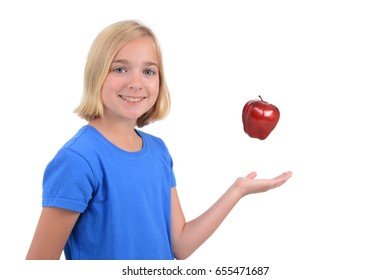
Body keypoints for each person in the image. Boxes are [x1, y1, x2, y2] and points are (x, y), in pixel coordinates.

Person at [26, 20, 292, 260]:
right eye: (120, 69)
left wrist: (238, 190)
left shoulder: (158, 151)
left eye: (149, 72)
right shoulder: (78, 160)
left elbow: (181, 245)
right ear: (96, 74)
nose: (136, 82)